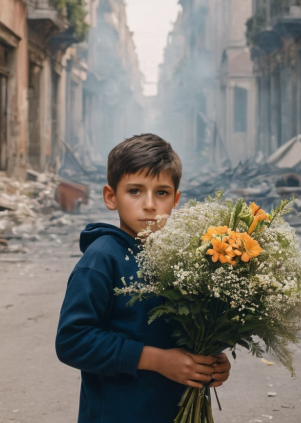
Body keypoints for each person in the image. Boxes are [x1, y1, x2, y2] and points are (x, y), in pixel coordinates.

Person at [56, 134, 231, 423]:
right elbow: (73, 340)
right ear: (111, 197)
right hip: (117, 414)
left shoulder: (183, 257)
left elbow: (188, 327)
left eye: (161, 193)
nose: (149, 205)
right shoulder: (101, 259)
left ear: (175, 200)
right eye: (135, 191)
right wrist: (158, 360)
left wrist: (209, 360)